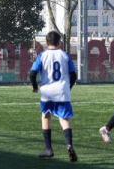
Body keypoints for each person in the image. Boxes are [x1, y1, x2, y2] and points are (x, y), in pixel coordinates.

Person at [30, 31, 78, 161]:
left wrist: (35, 86)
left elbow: (32, 73)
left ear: (46, 42)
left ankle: (48, 149)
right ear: (59, 42)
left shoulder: (42, 55)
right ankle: (69, 145)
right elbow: (73, 75)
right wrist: (69, 88)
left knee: (46, 116)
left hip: (47, 92)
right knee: (64, 119)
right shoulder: (65, 55)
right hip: (62, 91)